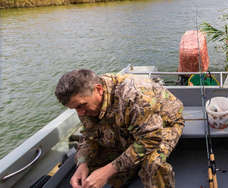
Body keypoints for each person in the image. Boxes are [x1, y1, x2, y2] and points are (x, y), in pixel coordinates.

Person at [55, 69, 184, 188]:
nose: (81, 113)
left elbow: (151, 139)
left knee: (153, 163)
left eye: (81, 106)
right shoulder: (86, 105)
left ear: (99, 89)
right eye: (75, 109)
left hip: (164, 123)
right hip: (131, 126)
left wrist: (107, 171)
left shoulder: (133, 96)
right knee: (92, 161)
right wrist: (82, 164)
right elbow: (89, 137)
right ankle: (124, 175)